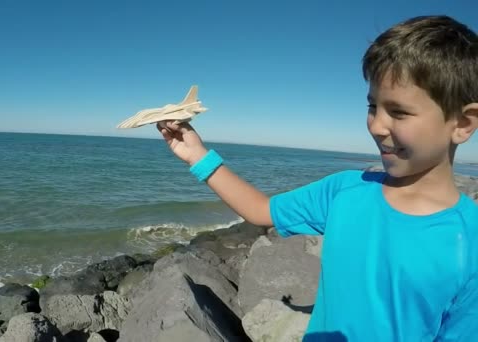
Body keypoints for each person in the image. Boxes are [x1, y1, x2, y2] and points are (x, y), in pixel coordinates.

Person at [156, 15, 478, 341]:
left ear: (463, 124)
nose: (377, 126)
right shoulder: (345, 190)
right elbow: (261, 211)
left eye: (398, 112)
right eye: (372, 106)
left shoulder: (471, 245)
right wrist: (197, 155)